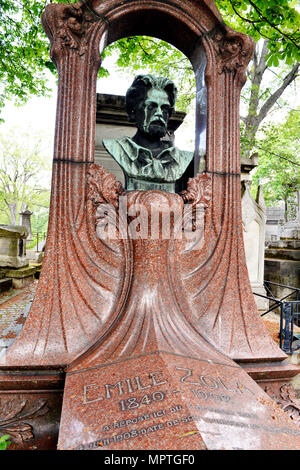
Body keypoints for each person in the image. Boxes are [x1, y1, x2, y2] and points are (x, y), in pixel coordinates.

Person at [103, 74, 194, 192]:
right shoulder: (116, 148)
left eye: (165, 109)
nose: (159, 114)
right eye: (151, 106)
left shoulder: (182, 158)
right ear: (133, 112)